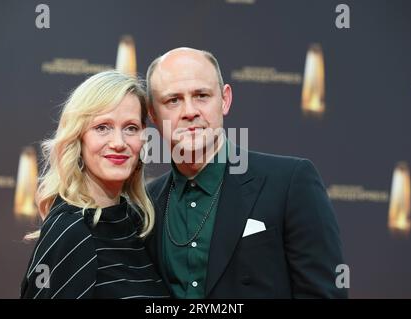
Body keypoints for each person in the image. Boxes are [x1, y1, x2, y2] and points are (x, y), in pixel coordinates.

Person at [145, 47, 348, 298]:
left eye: (201, 95)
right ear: (152, 113)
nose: (189, 111)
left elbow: (322, 294)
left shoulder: (290, 182)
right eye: (173, 100)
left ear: (225, 100)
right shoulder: (146, 204)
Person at [20, 70, 170, 299]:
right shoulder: (71, 231)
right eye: (102, 127)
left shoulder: (138, 224)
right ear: (79, 137)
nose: (119, 143)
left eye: (131, 128)